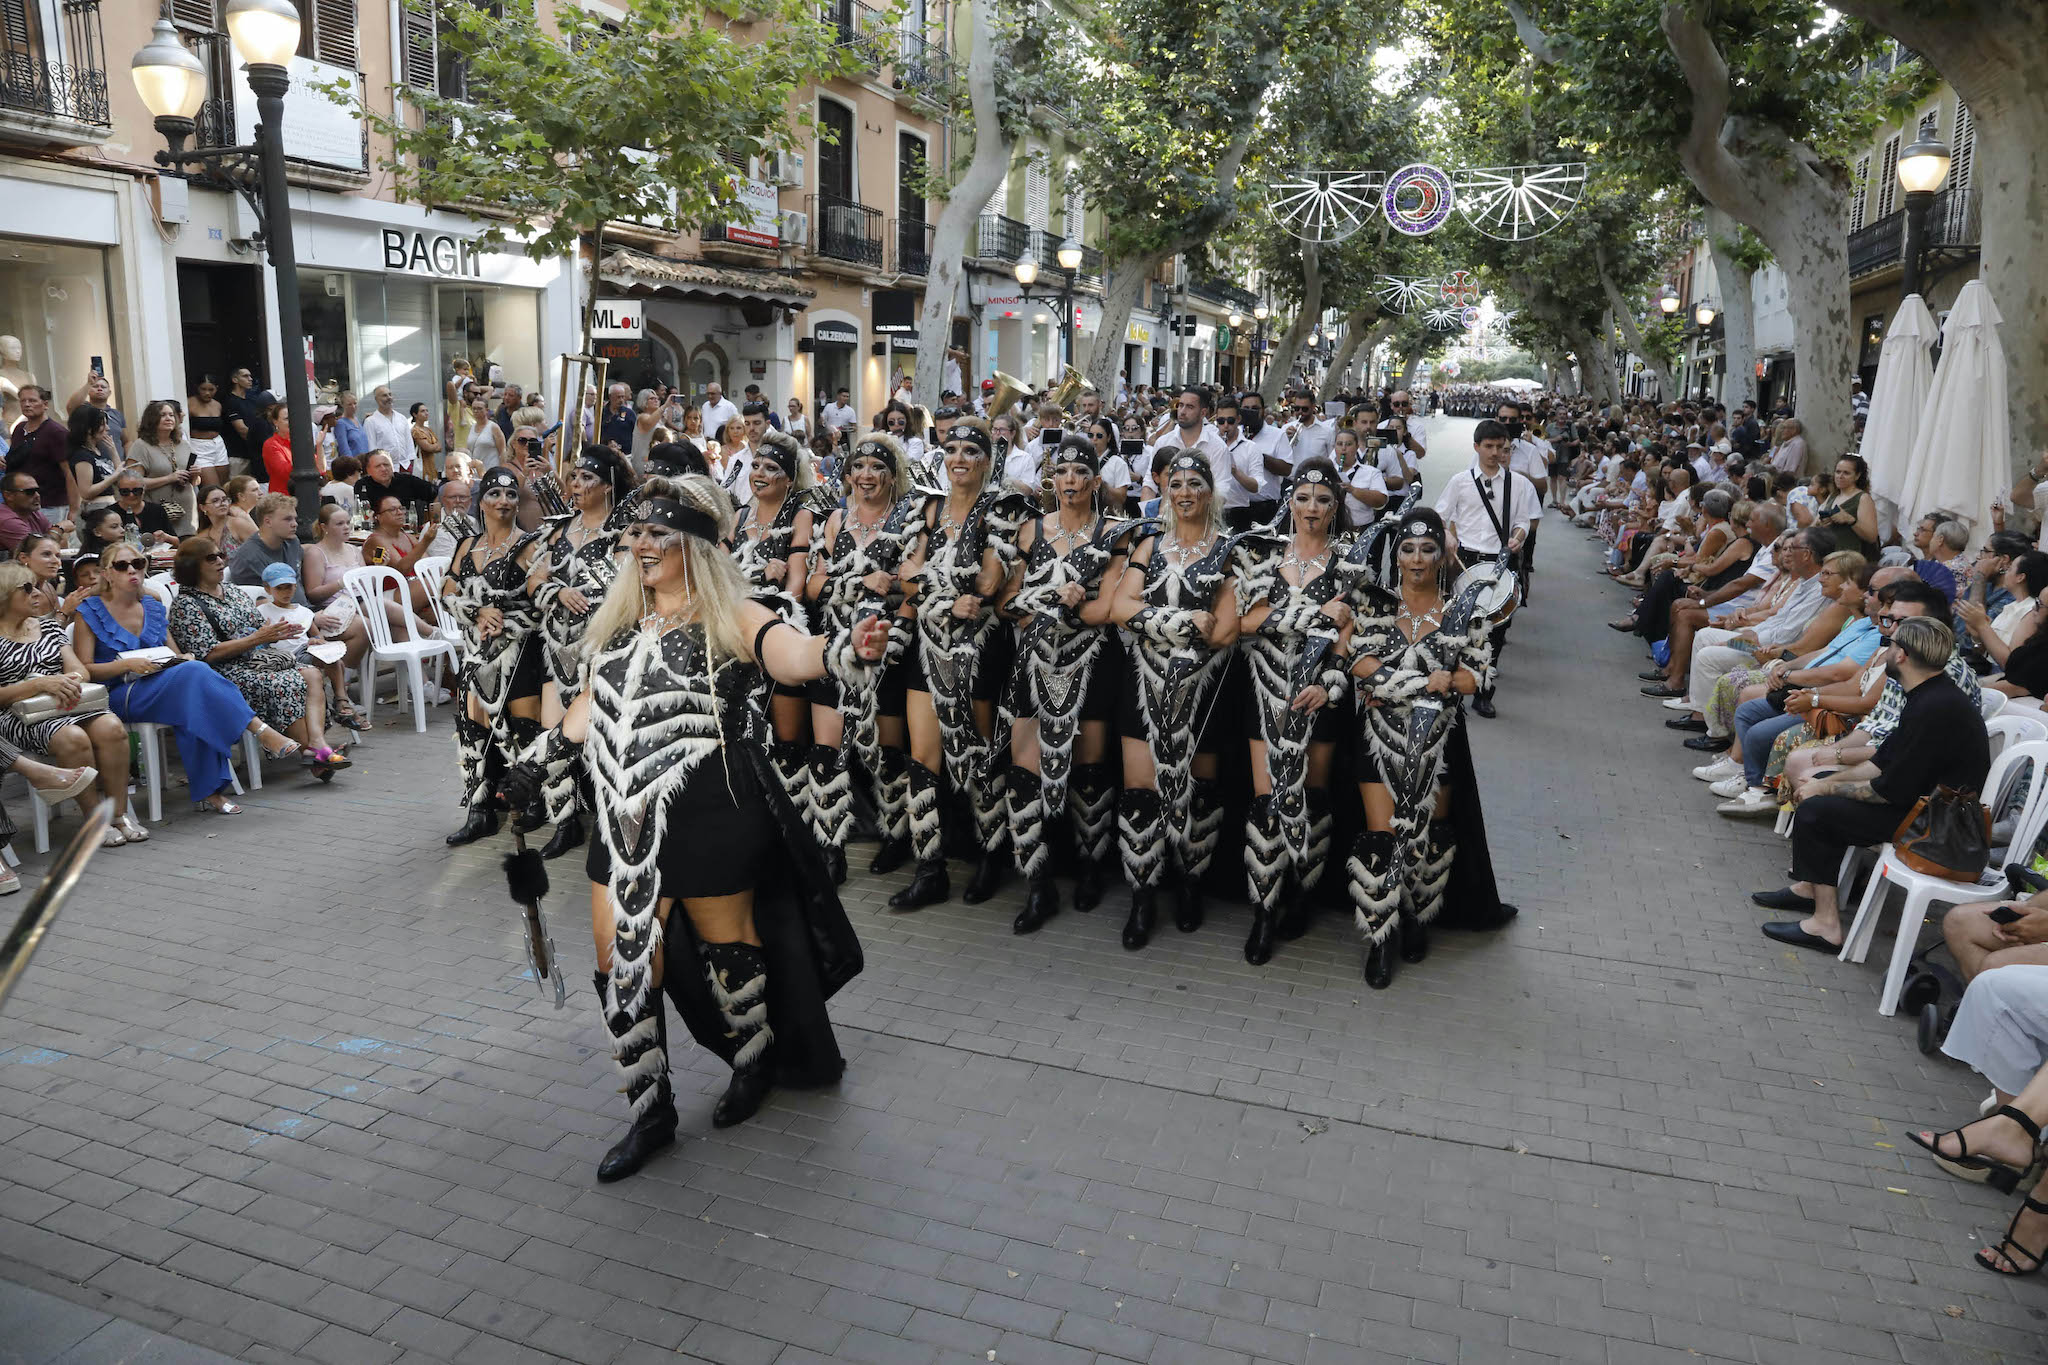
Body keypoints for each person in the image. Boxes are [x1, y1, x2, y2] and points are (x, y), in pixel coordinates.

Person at [498, 473, 887, 1182]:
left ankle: (754, 1060)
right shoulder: (619, 623)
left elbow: (794, 657)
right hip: (621, 817)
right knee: (621, 969)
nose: (639, 544)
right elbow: (587, 708)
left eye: (657, 533)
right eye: (635, 531)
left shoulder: (735, 615)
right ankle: (651, 1114)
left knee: (729, 951)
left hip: (712, 812)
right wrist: (535, 757)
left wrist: (848, 649)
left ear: (696, 546)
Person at [1346, 508, 1515, 988]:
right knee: (1381, 836)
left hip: (1441, 741)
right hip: (1378, 738)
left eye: (1427, 549)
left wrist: (1447, 680)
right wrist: (1425, 681)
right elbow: (1359, 661)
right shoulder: (1374, 604)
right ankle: (1381, 936)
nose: (1416, 558)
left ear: (1443, 555)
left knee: (1429, 831)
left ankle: (1418, 915)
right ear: (1395, 554)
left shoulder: (1465, 611)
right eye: (1407, 548)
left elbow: (1477, 674)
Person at [1758, 617, 1991, 951]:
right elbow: (1880, 762)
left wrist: (1823, 790)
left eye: (1890, 645)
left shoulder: (1934, 708)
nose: (1884, 653)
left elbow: (1887, 791)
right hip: (1920, 806)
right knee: (1819, 786)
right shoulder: (1929, 695)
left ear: (1903, 656)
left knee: (1816, 811)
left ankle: (1825, 926)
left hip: (1936, 828)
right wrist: (1825, 779)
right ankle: (1812, 890)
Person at [889, 418, 1027, 911]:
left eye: (971, 450)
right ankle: (930, 869)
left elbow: (988, 586)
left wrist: (926, 579)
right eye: (952, 449)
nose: (960, 458)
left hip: (980, 647)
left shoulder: (1002, 510)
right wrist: (946, 598)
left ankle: (991, 855)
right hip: (926, 644)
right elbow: (903, 582)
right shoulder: (926, 507)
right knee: (922, 757)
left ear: (987, 460)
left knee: (980, 751)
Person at [1106, 451, 1240, 948]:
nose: (1184, 492)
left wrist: (1153, 622)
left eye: (1195, 484)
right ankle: (1142, 898)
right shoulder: (1148, 544)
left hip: (1202, 691)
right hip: (1142, 684)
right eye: (1176, 484)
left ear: (1210, 493)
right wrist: (1180, 624)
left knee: (1199, 791)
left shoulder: (1228, 549)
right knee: (1140, 792)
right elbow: (1121, 606)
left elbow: (1225, 630)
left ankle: (1191, 885)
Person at [997, 435, 1128, 934]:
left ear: (1096, 481)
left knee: (1089, 770)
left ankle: (1092, 869)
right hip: (1035, 661)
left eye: (1081, 473)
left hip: (1093, 661)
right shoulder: (1030, 530)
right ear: (1051, 480)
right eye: (1062, 473)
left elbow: (1112, 607)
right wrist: (1044, 600)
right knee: (1025, 770)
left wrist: (1073, 606)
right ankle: (1038, 884)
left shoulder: (1116, 533)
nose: (1070, 481)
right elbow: (1007, 601)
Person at [75, 544, 289, 814]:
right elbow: (85, 670)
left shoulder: (151, 606)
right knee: (194, 677)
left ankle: (210, 792)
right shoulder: (89, 610)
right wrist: (127, 664)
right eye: (122, 565)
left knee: (193, 696)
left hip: (160, 684)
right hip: (120, 693)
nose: (132, 570)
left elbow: (175, 654)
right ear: (107, 573)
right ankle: (260, 731)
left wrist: (185, 657)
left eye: (138, 563)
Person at [1239, 462, 1351, 964]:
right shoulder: (1261, 552)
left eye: (1322, 499)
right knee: (1267, 801)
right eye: (1302, 497)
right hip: (1264, 691)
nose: (1311, 508)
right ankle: (1264, 910)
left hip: (1317, 696)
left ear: (1335, 506)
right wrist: (1309, 617)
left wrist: (1331, 684)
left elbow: (1351, 633)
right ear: (1289, 501)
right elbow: (1246, 620)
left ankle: (1303, 893)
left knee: (1312, 795)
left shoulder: (1350, 563)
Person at [805, 434, 918, 881]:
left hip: (886, 649)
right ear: (848, 473)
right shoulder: (833, 520)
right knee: (827, 749)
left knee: (889, 750)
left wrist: (898, 634)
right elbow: (813, 587)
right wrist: (858, 583)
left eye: (878, 468)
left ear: (893, 476)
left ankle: (895, 836)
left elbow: (912, 589)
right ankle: (829, 844)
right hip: (833, 646)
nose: (867, 476)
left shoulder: (909, 522)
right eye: (860, 467)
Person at [524, 446, 634, 859]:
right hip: (557, 647)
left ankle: (612, 820)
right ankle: (564, 820)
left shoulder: (622, 531)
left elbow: (628, 586)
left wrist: (589, 593)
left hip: (601, 649)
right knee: (552, 732)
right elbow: (535, 578)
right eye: (573, 478)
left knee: (602, 736)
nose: (576, 486)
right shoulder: (556, 529)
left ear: (607, 486)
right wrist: (557, 589)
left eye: (587, 479)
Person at [169, 536, 347, 776]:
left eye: (221, 555)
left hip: (258, 659)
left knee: (312, 674)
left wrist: (278, 633)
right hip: (223, 671)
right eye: (211, 558)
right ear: (192, 565)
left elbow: (258, 627)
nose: (221, 561)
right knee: (288, 682)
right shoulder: (186, 605)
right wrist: (258, 639)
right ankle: (318, 757)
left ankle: (318, 745)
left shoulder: (233, 591)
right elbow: (206, 655)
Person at [0, 560, 139, 845]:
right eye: (27, 588)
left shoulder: (48, 627)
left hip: (67, 703)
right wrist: (39, 684)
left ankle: (119, 814)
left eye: (37, 587)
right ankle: (94, 820)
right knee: (73, 737)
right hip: (18, 715)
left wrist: (68, 681)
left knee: (111, 727)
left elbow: (81, 671)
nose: (37, 593)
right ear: (3, 594)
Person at [442, 467, 543, 845]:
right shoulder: (467, 545)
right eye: (496, 495)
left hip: (520, 650)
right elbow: (448, 591)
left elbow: (541, 599)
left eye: (512, 495)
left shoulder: (530, 544)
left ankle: (532, 801)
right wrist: (476, 612)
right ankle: (480, 808)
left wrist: (507, 619)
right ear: (480, 501)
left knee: (522, 726)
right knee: (473, 726)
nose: (504, 501)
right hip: (477, 651)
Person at [1433, 418, 1538, 718]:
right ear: (1476, 447)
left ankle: (1483, 692)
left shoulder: (1519, 484)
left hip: (1500, 562)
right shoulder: (1460, 481)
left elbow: (1523, 522)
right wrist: (1449, 535)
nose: (1495, 453)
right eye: (1488, 447)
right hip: (1464, 560)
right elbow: (1440, 516)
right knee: (1457, 627)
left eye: (1500, 448)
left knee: (1496, 632)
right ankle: (1449, 686)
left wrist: (1517, 539)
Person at [361, 491, 444, 616]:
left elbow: (427, 566)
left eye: (401, 508)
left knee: (444, 583)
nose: (400, 513)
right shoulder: (376, 539)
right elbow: (401, 569)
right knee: (432, 583)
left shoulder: (408, 536)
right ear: (378, 516)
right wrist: (425, 541)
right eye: (392, 510)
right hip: (389, 595)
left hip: (415, 589)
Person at [124, 400, 198, 535]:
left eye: (171, 415)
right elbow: (133, 484)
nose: (168, 418)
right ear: (152, 419)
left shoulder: (183, 445)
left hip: (185, 514)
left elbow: (194, 482)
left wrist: (195, 475)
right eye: (163, 415)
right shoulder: (141, 446)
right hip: (157, 513)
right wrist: (169, 478)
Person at [7, 384, 74, 518]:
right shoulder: (19, 429)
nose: (27, 404)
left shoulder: (56, 432)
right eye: (23, 401)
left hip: (50, 505)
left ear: (45, 404)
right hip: (22, 506)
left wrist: (74, 509)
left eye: (32, 400)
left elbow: (70, 472)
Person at [1815, 454, 1880, 560]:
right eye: (1838, 472)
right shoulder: (1833, 495)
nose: (1840, 476)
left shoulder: (1863, 498)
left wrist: (1849, 519)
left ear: (1857, 476)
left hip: (1850, 559)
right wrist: (1821, 523)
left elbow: (1872, 536)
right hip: (1829, 555)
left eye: (1846, 473)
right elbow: (1814, 525)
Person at [64, 403, 121, 511]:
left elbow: (121, 479)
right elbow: (86, 492)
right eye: (103, 425)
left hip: (110, 506)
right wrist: (114, 476)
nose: (108, 428)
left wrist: (113, 452)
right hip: (95, 509)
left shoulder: (100, 451)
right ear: (89, 429)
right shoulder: (82, 456)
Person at [356, 449, 437, 520]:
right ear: (368, 470)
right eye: (378, 466)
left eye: (386, 465)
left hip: (406, 528)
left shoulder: (407, 480)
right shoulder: (362, 485)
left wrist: (433, 519)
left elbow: (434, 492)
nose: (383, 469)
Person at [184, 375, 230, 488]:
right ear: (197, 388)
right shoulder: (189, 403)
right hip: (199, 446)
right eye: (203, 389)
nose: (207, 393)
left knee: (225, 484)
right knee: (212, 487)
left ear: (216, 388)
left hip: (218, 444)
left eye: (211, 389)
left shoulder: (217, 405)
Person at [362, 386, 416, 475]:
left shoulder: (401, 418)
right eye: (384, 395)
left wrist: (411, 463)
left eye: (390, 394)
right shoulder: (371, 421)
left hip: (405, 465)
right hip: (384, 469)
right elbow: (371, 449)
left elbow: (409, 443)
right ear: (376, 399)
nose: (389, 398)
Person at [194, 482, 256, 559]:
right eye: (215, 501)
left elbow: (261, 549)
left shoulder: (238, 524)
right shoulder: (202, 536)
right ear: (203, 507)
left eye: (224, 499)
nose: (222, 503)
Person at [0, 469, 55, 551]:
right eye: (30, 492)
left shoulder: (34, 513)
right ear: (8, 496)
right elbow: (36, 552)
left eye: (38, 490)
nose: (37, 495)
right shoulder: (6, 520)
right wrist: (58, 530)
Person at [258, 400, 293, 492]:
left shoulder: (300, 441)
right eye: (287, 419)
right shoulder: (271, 444)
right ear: (275, 422)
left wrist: (319, 445)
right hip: (282, 498)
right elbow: (285, 473)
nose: (292, 421)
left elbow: (320, 469)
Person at [407, 401, 441, 479]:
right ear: (415, 414)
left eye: (427, 410)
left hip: (431, 465)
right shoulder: (415, 431)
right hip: (422, 466)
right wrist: (434, 446)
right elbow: (427, 448)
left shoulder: (428, 430)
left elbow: (439, 447)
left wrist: (433, 447)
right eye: (422, 411)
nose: (426, 413)